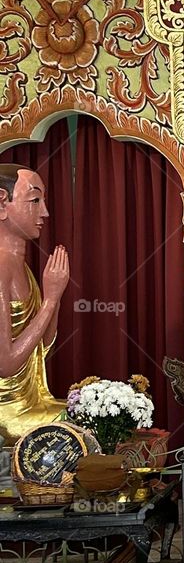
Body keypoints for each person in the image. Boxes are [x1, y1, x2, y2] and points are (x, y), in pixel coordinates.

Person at [0, 165, 68, 443]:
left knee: (94, 412)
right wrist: (50, 300)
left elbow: (43, 346)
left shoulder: (23, 267)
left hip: (33, 401)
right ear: (2, 204)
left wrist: (55, 295)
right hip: (8, 411)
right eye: (35, 200)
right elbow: (6, 364)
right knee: (90, 420)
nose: (45, 213)